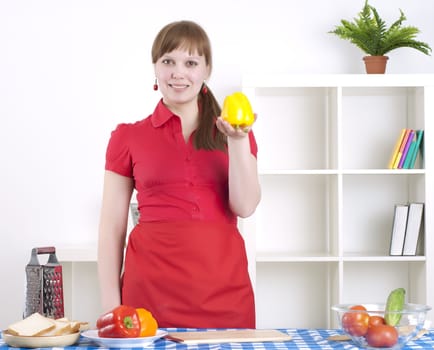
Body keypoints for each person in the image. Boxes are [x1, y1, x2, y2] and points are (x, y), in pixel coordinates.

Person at [97, 20, 261, 329]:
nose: (178, 72)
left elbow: (246, 206)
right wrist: (110, 307)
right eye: (168, 61)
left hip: (224, 293)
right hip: (148, 296)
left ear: (207, 70)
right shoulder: (127, 137)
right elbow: (111, 227)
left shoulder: (237, 132)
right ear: (155, 68)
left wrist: (237, 141)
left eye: (190, 62)